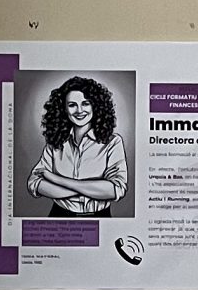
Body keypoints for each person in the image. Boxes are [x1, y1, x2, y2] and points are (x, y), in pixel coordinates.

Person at [27, 76, 128, 217]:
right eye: (72, 105)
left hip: (100, 217)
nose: (79, 110)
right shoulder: (55, 141)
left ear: (95, 106)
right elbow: (34, 182)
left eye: (85, 103)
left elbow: (115, 189)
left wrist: (56, 180)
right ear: (64, 109)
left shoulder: (113, 142)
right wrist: (91, 189)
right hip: (59, 215)